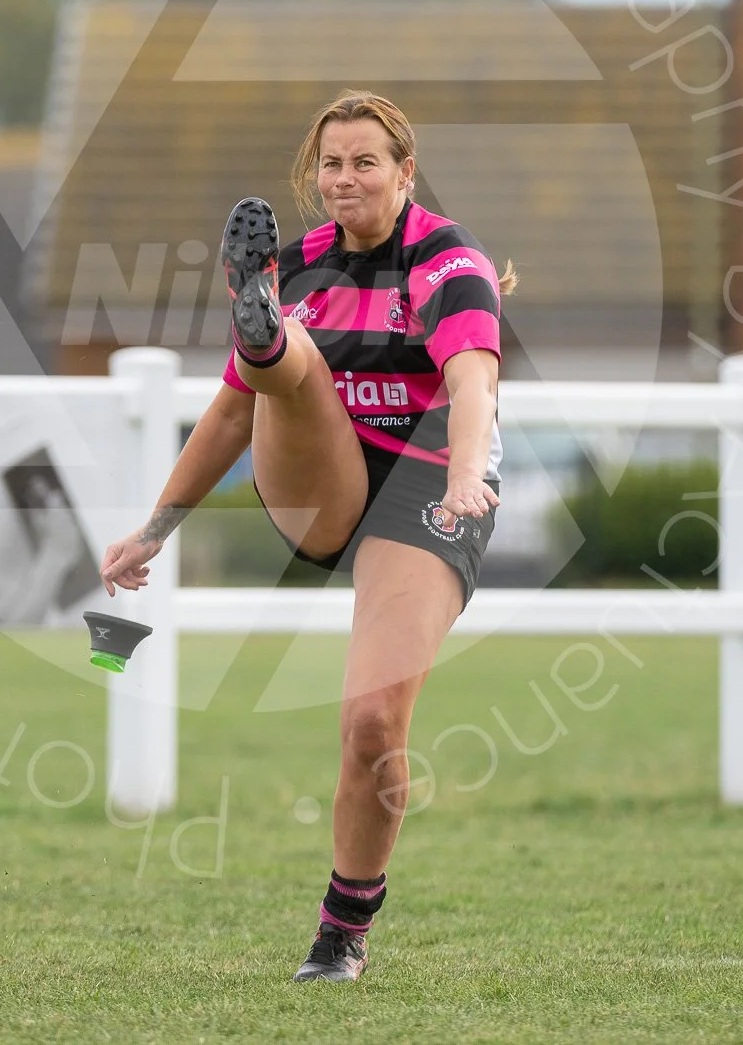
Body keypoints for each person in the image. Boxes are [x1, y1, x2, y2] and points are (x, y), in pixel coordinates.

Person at [99, 90, 515, 982]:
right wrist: (154, 529)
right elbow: (221, 420)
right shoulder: (300, 264)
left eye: (367, 162)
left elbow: (474, 382)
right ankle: (266, 340)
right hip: (323, 479)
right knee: (288, 365)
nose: (346, 178)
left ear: (406, 173)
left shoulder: (448, 260)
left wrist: (466, 473)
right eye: (332, 163)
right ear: (312, 172)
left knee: (372, 723)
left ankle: (344, 930)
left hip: (425, 488)